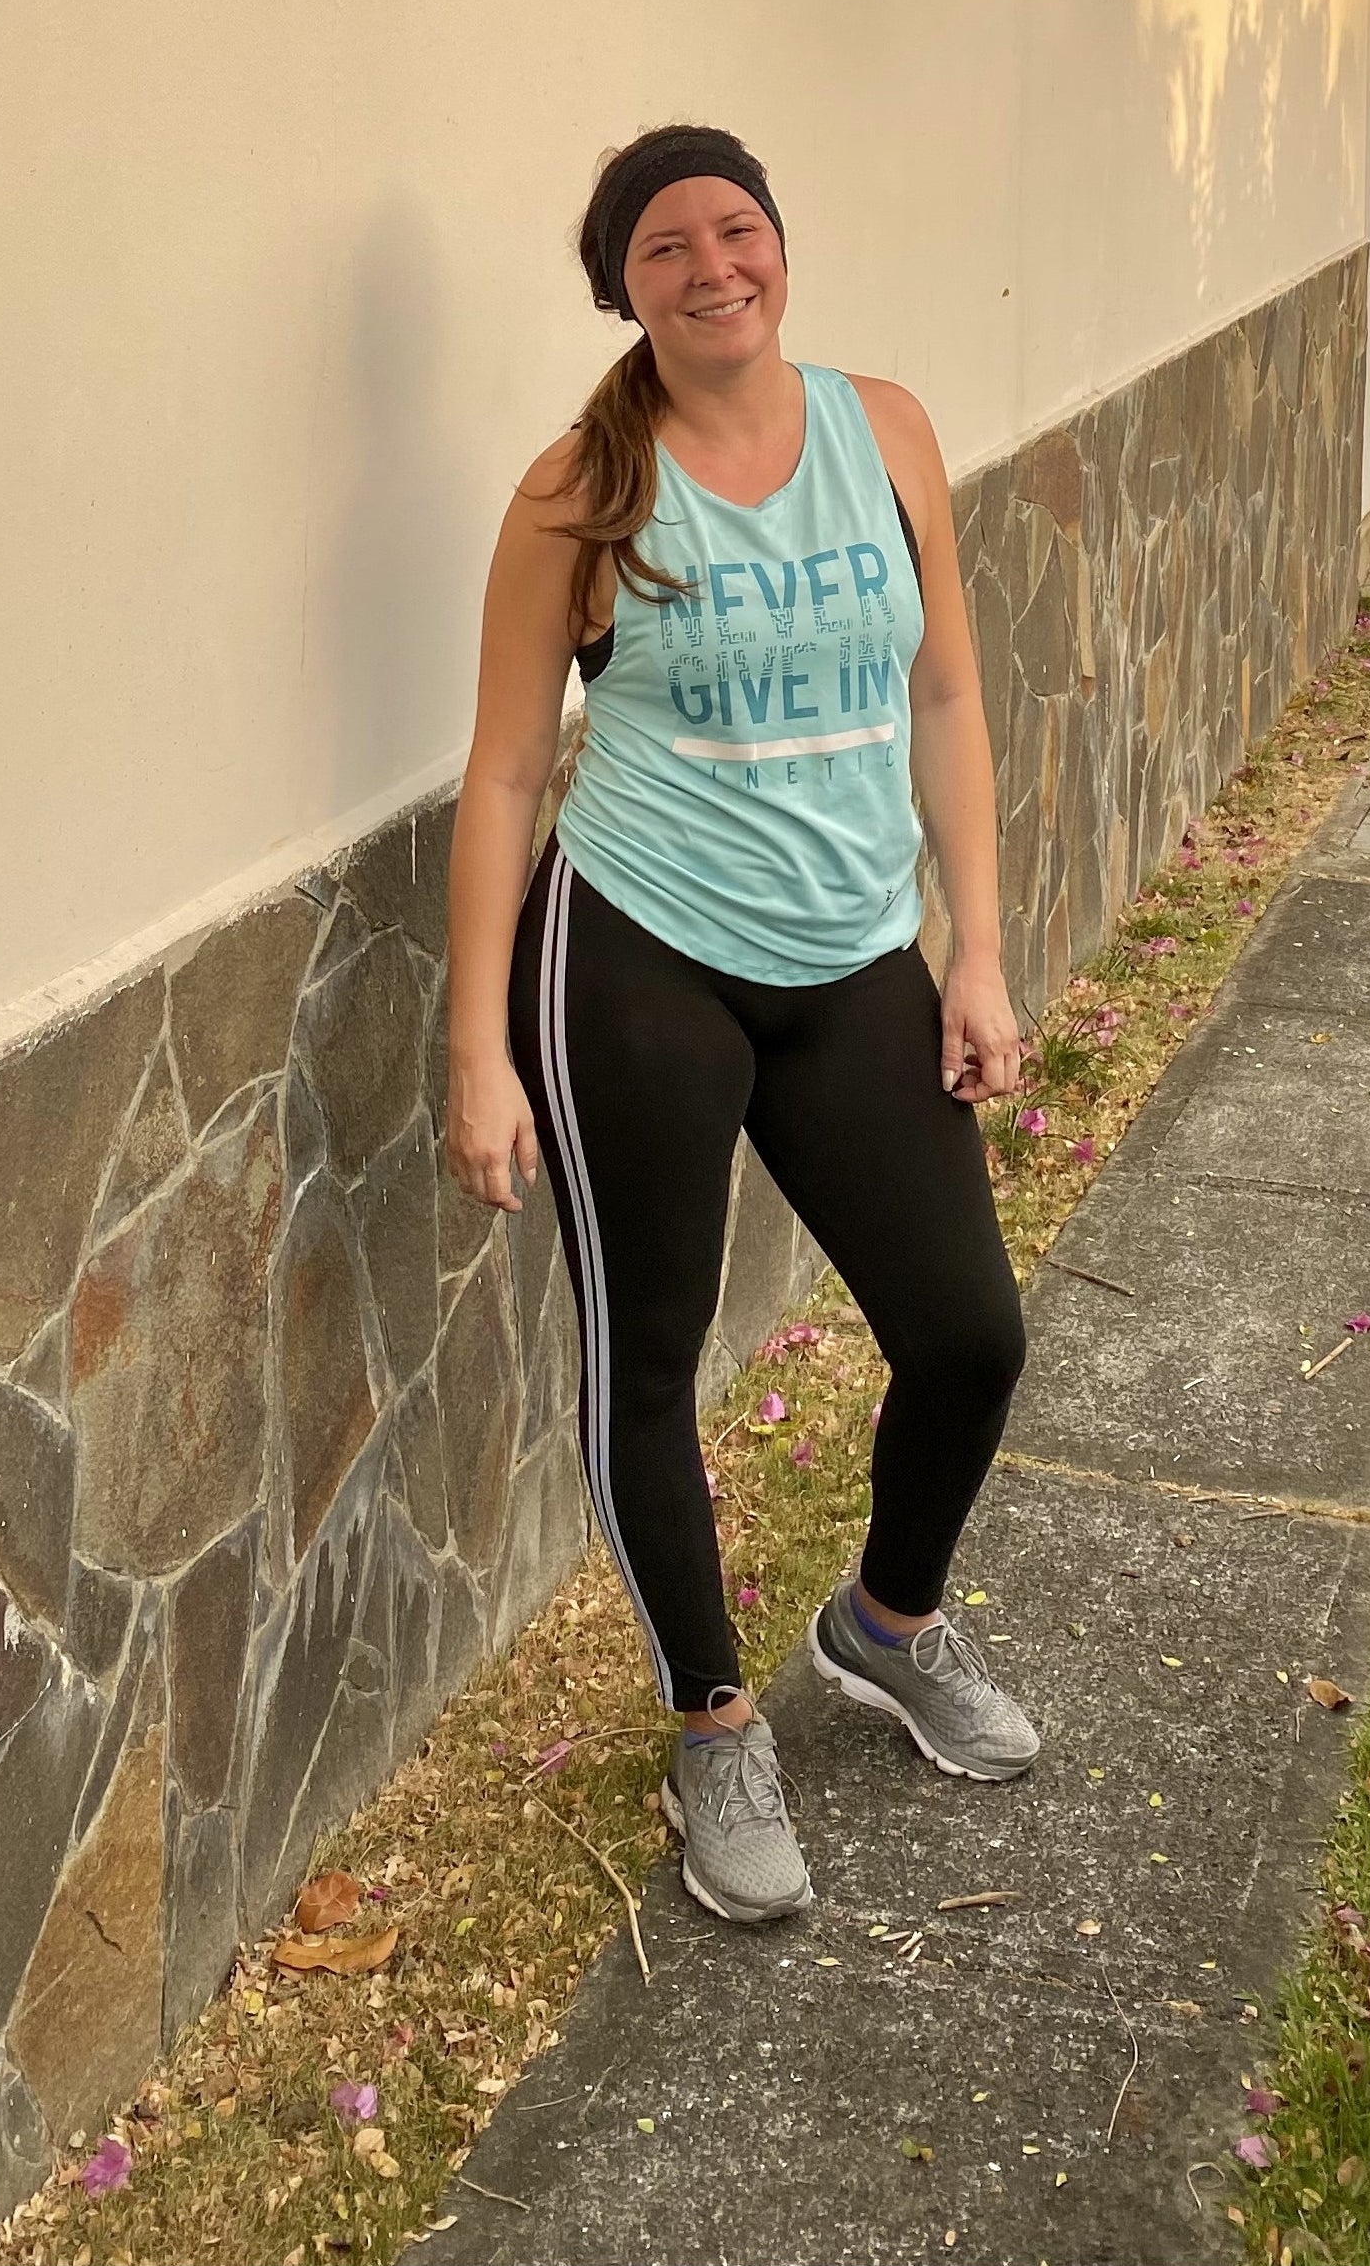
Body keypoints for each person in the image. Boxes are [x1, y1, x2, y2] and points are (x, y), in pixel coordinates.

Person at [443, 123, 1034, 1924]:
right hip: (634, 954)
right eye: (664, 249)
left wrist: (979, 947)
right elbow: (501, 772)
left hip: (851, 948)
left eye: (737, 229)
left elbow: (942, 686)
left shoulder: (891, 431)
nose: (713, 268)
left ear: (779, 242)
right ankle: (711, 1724)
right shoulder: (578, 492)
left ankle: (884, 1623)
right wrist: (478, 1046)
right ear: (619, 288)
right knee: (651, 1354)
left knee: (967, 1334)